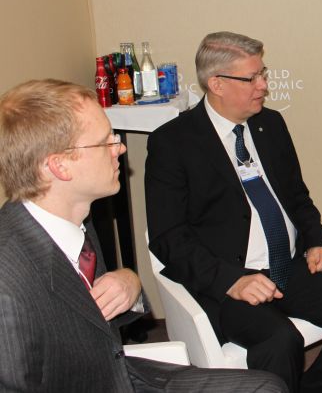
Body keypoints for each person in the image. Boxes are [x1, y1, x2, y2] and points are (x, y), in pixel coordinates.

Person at [0, 79, 287, 392]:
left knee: (267, 387)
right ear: (59, 166)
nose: (120, 148)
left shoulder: (71, 218)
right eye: (104, 142)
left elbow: (91, 319)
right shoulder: (8, 281)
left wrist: (129, 283)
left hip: (117, 371)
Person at [145, 31, 322, 393]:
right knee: (280, 341)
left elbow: (297, 197)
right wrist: (231, 281)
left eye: (263, 73)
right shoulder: (173, 142)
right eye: (252, 78)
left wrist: (317, 241)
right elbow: (167, 237)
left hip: (288, 265)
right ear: (217, 83)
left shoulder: (270, 124)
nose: (263, 85)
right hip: (228, 277)